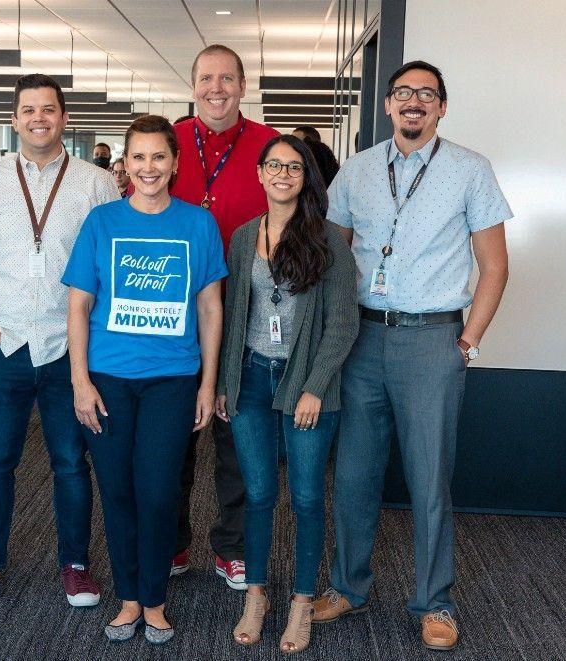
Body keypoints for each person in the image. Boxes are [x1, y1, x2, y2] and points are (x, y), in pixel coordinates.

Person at [313, 61, 512, 652]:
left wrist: (467, 341)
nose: (413, 103)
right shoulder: (356, 170)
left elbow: (495, 267)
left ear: (442, 108)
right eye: (403, 93)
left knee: (429, 481)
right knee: (352, 475)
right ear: (388, 105)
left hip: (433, 341)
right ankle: (348, 586)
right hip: (363, 340)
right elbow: (333, 257)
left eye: (426, 94)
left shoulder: (471, 171)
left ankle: (435, 603)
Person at [0, 73, 118, 607]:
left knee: (71, 462)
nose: (39, 119)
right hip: (6, 345)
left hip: (71, 349)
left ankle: (75, 565)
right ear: (15, 118)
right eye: (29, 110)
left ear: (64, 118)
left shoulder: (96, 182)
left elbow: (113, 266)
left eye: (49, 109)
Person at [64, 115, 226, 645]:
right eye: (139, 157)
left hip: (172, 381)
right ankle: (128, 598)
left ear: (175, 164)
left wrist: (207, 384)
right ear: (124, 164)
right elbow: (79, 305)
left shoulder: (197, 225)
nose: (149, 167)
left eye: (159, 157)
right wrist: (80, 382)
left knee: (157, 492)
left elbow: (209, 307)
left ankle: (154, 600)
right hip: (108, 379)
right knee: (117, 491)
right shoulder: (101, 222)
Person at [215, 135, 358, 651]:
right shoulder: (242, 236)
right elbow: (233, 319)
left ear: (305, 177)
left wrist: (315, 388)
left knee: (305, 497)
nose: (282, 174)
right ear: (259, 173)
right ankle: (257, 593)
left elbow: (342, 326)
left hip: (306, 387)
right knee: (257, 494)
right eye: (273, 165)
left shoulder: (328, 242)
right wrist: (226, 383)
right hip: (251, 379)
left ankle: (300, 600)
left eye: (293, 167)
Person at [170, 44, 280, 587]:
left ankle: (232, 545)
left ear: (243, 85)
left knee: (237, 438)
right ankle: (173, 542)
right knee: (174, 436)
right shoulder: (167, 141)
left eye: (227, 79)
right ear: (193, 85)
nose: (217, 88)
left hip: (247, 315)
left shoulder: (268, 146)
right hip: (171, 315)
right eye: (207, 78)